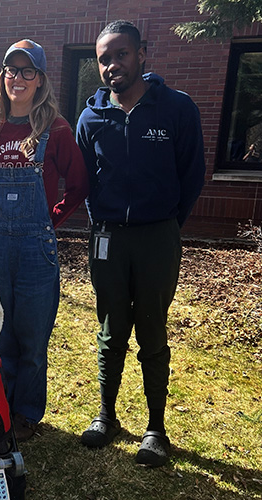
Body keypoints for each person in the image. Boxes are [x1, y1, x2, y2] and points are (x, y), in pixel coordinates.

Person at [76, 20, 206, 466]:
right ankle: (106, 416)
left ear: (142, 53)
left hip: (158, 238)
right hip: (108, 238)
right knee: (110, 329)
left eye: (121, 54)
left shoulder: (176, 109)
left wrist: (165, 225)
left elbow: (191, 176)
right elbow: (85, 182)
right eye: (104, 58)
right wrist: (103, 226)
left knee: (152, 326)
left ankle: (155, 428)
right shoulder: (91, 118)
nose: (113, 64)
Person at [0, 39, 89, 441]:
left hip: (34, 248)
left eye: (28, 72)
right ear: (3, 76)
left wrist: (51, 221)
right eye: (11, 70)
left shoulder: (56, 129)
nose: (18, 78)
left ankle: (26, 413)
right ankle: (0, 407)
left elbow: (78, 185)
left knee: (32, 336)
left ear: (40, 80)